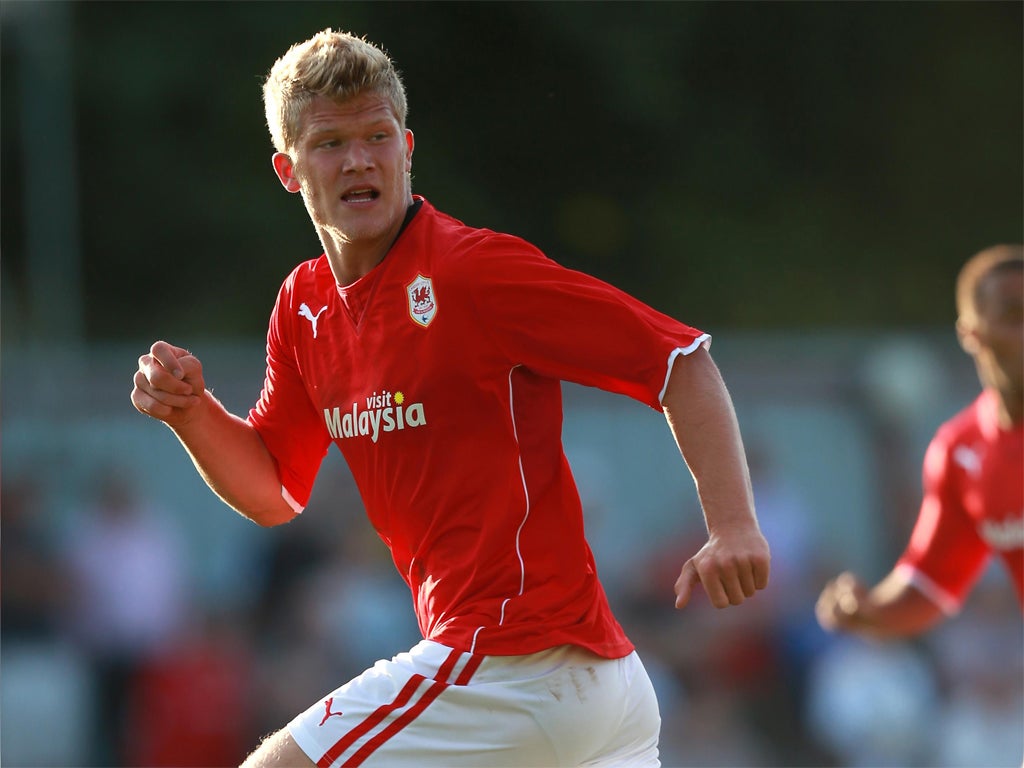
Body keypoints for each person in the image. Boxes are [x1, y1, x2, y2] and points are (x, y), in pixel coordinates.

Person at [131, 29, 770, 768]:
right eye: (331, 142)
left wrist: (733, 527)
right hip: (581, 693)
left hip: (517, 666)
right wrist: (190, 412)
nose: (360, 159)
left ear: (407, 148)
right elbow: (275, 489)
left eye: (376, 136)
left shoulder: (473, 273)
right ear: (288, 168)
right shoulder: (302, 307)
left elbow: (678, 362)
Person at [816, 244, 1023, 638]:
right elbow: (928, 586)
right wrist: (865, 610)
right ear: (971, 333)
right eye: (1015, 315)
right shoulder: (962, 451)